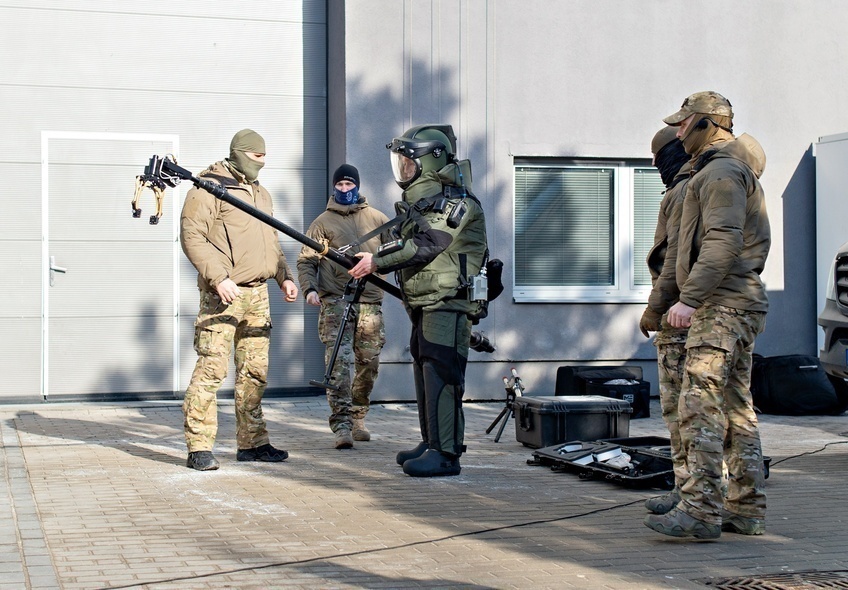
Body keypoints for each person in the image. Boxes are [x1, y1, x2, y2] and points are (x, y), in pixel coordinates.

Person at [644, 92, 771, 539]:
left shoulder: (719, 173)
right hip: (731, 301)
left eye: (685, 124)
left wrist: (687, 300)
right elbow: (681, 249)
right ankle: (745, 507)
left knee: (699, 403)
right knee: (735, 405)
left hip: (721, 303)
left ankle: (701, 511)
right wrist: (661, 305)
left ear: (707, 124)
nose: (678, 133)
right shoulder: (711, 172)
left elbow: (721, 242)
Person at [348, 124, 488, 477]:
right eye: (400, 163)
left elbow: (431, 243)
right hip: (426, 301)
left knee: (442, 374)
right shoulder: (424, 205)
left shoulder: (457, 203)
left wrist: (376, 262)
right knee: (425, 370)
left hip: (447, 302)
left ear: (431, 160)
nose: (403, 170)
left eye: (409, 162)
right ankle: (431, 441)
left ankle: (446, 453)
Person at [179, 129, 299, 471]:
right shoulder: (208, 188)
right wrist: (218, 278)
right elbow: (192, 237)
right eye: (257, 156)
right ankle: (198, 446)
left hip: (258, 295)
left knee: (254, 372)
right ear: (241, 153)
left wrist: (284, 276)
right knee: (212, 369)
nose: (263, 162)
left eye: (265, 157)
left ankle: (253, 443)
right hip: (224, 295)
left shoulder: (261, 193)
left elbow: (271, 240)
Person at [297, 164, 389, 450]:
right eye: (341, 185)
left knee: (368, 363)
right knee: (338, 363)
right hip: (336, 301)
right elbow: (306, 260)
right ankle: (342, 425)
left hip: (370, 302)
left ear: (358, 187)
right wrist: (310, 289)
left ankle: (359, 416)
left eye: (350, 185)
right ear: (334, 187)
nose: (345, 190)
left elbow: (398, 252)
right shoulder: (322, 222)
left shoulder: (377, 219)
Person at [639, 127, 692, 515]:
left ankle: (695, 495)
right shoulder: (696, 185)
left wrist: (653, 309)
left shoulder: (683, 191)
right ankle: (694, 491)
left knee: (683, 411)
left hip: (680, 314)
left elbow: (673, 260)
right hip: (691, 309)